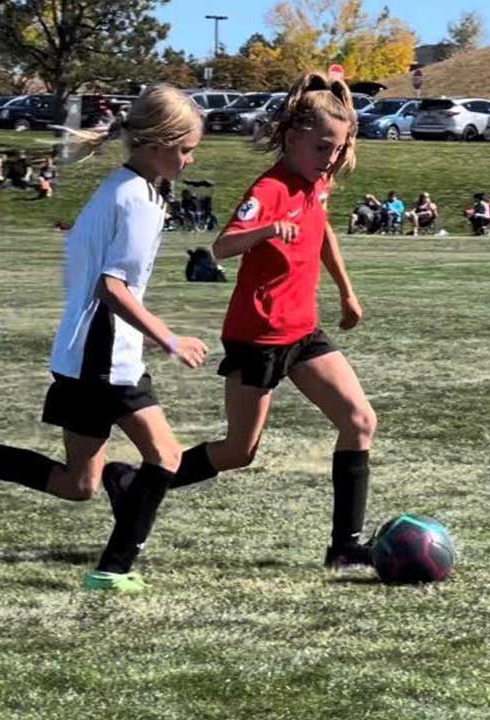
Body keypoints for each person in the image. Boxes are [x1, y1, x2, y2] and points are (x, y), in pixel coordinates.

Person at [0, 84, 210, 594]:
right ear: (156, 143)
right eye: (187, 148)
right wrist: (167, 337)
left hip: (81, 352)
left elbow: (96, 281)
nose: (191, 160)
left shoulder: (117, 188)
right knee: (166, 456)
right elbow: (112, 287)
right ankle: (114, 569)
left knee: (78, 484)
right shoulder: (139, 199)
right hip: (105, 357)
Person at [152, 69, 379, 574]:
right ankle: (140, 483)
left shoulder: (318, 181)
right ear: (295, 138)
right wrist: (264, 231)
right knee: (238, 451)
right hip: (257, 334)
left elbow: (321, 235)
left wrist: (346, 291)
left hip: (303, 331)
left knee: (360, 421)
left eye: (339, 149)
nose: (333, 158)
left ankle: (345, 547)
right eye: (324, 147)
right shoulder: (271, 187)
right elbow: (221, 246)